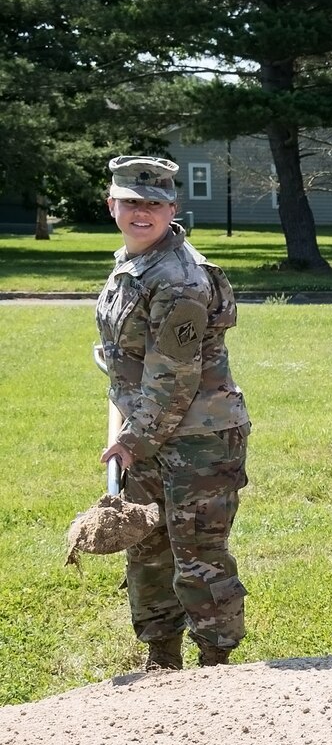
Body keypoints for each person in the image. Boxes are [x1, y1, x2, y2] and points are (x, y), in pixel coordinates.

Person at [94, 155, 252, 670]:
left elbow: (174, 379)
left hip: (197, 439)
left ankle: (215, 664)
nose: (143, 213)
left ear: (172, 207)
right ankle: (161, 657)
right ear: (112, 203)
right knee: (146, 549)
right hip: (146, 427)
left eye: (155, 204)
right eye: (133, 202)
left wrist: (132, 442)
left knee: (197, 554)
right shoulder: (133, 261)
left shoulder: (180, 278)